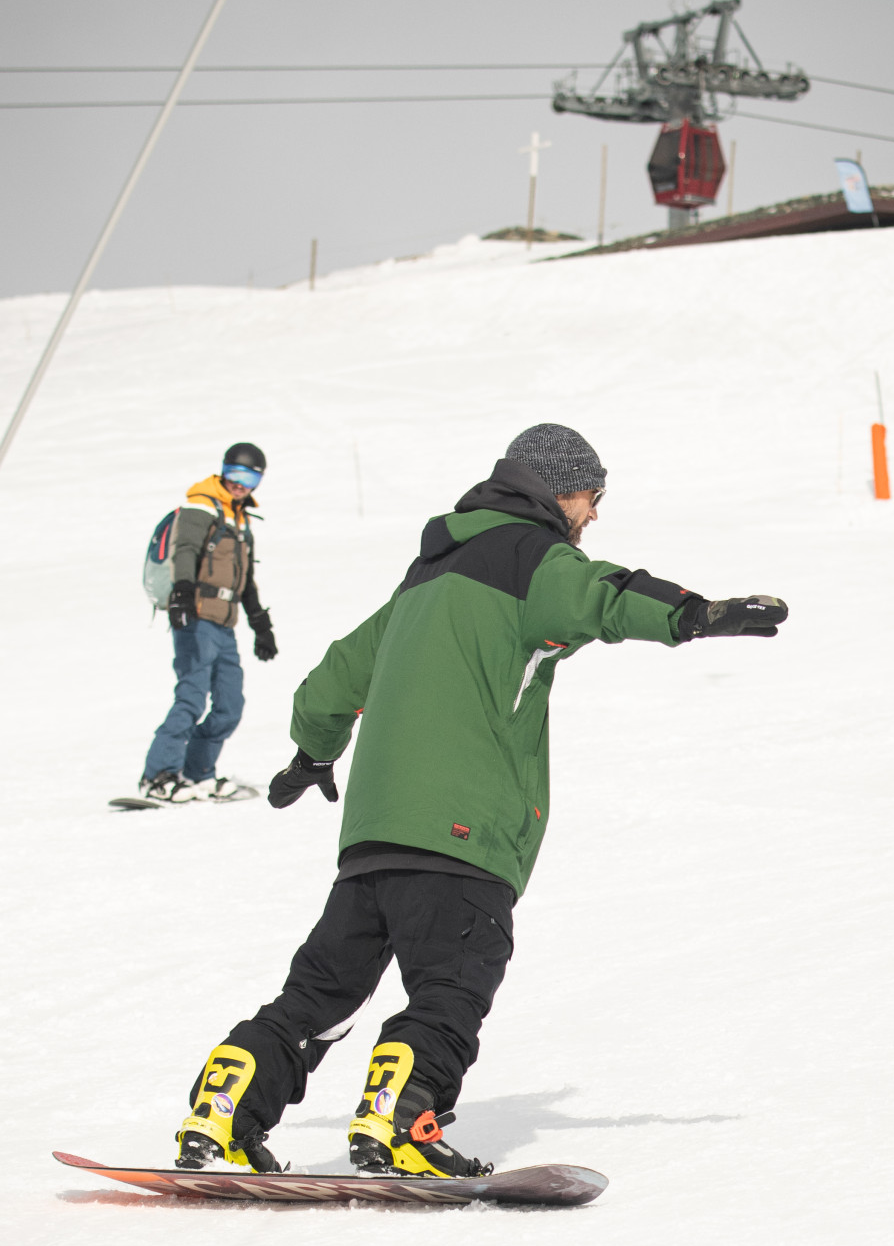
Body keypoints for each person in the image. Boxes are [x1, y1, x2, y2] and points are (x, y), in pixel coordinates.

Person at [172, 423, 789, 1177]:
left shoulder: (427, 574)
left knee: (320, 992)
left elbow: (334, 678)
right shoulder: (535, 558)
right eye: (592, 497)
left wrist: (313, 751)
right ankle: (401, 1119)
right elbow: (605, 596)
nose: (593, 515)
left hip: (373, 839)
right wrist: (695, 613)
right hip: (462, 836)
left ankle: (225, 1107)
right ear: (558, 487)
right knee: (454, 983)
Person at [139, 442, 278, 802]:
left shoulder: (240, 517)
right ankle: (157, 777)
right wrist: (182, 594)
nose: (240, 483)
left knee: (230, 705)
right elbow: (185, 550)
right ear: (223, 471)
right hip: (196, 617)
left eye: (249, 477)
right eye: (234, 474)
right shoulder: (202, 502)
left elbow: (243, 578)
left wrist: (261, 624)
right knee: (190, 698)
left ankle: (198, 773)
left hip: (224, 625)